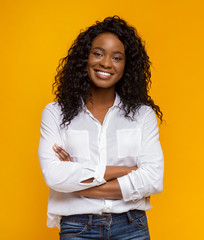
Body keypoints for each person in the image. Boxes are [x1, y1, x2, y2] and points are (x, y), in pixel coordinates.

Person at [38, 16, 164, 240]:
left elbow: (153, 179)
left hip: (131, 226)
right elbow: (54, 176)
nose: (106, 63)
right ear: (84, 57)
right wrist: (128, 171)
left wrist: (76, 182)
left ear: (127, 66)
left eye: (116, 57)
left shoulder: (142, 116)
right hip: (78, 228)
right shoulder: (55, 113)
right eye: (98, 53)